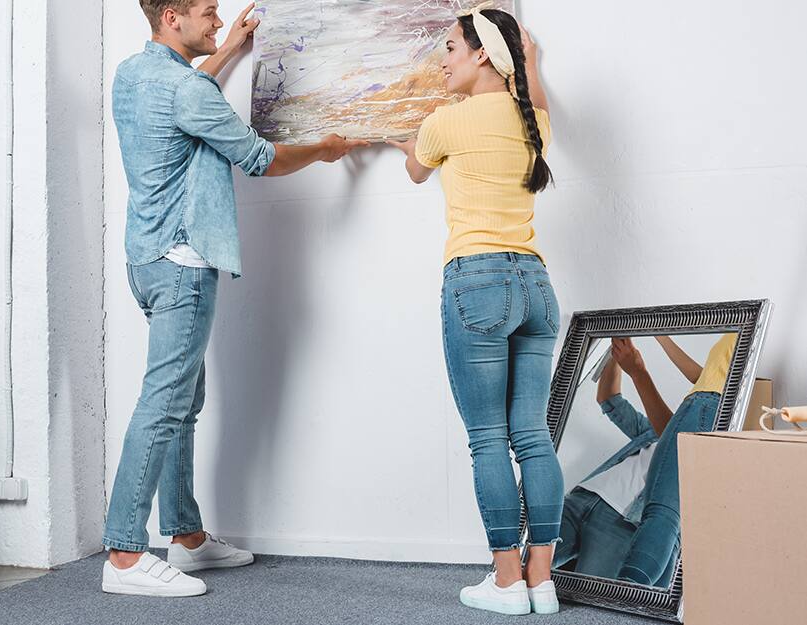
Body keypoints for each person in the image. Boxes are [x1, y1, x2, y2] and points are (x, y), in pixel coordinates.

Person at [102, 0, 367, 598]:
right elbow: (260, 160)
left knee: (181, 403)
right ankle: (123, 553)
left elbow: (187, 90)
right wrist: (323, 150)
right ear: (172, 17)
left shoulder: (133, 74)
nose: (218, 22)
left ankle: (186, 536)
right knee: (164, 405)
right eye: (208, 13)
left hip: (146, 261)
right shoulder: (189, 92)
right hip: (184, 265)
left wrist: (227, 51)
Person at [388, 6, 560, 616]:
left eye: (451, 49)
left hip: (477, 281)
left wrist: (403, 141)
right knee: (533, 436)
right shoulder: (533, 119)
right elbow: (534, 100)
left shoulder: (444, 122)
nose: (444, 61)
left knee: (488, 438)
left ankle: (507, 582)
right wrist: (529, 62)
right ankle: (541, 579)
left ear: (482, 54)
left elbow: (416, 170)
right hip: (536, 285)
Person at [616, 333, 737, 585]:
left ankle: (627, 592)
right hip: (721, 418)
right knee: (675, 526)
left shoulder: (753, 329)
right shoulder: (753, 336)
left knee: (662, 512)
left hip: (704, 405)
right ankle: (647, 601)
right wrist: (662, 336)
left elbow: (707, 383)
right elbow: (701, 376)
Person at [556, 341, 677, 584]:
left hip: (621, 525)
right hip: (581, 498)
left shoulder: (701, 454)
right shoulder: (653, 431)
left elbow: (676, 442)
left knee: (591, 597)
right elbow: (610, 399)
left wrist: (638, 371)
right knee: (520, 568)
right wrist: (618, 349)